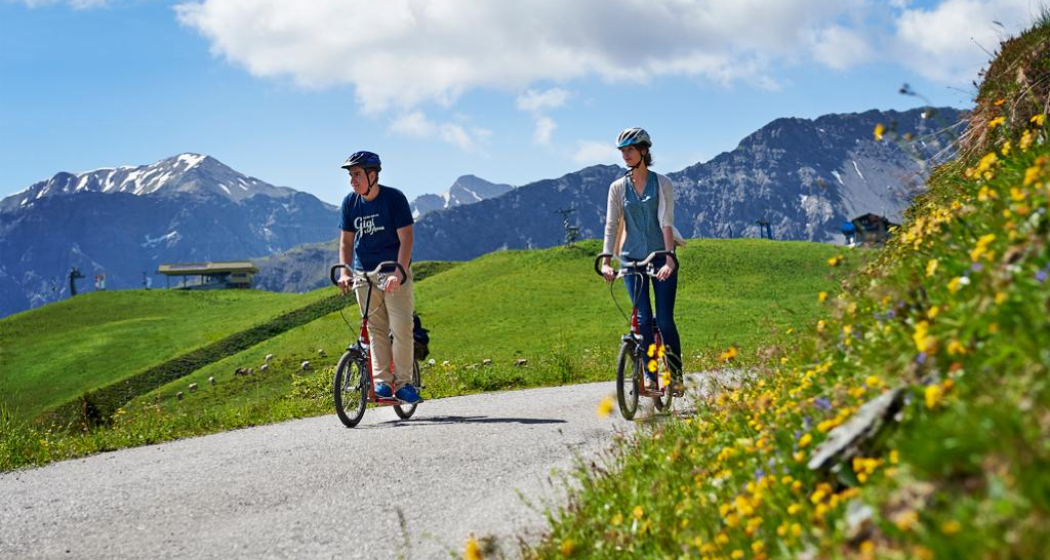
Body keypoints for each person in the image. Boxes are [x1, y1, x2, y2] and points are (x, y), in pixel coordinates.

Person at [599, 128, 687, 396]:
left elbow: (666, 221)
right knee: (643, 317)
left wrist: (669, 259)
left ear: (644, 151)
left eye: (630, 149)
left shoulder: (662, 184)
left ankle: (675, 375)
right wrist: (606, 260)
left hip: (661, 255)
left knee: (664, 320)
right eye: (623, 151)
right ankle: (650, 376)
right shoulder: (617, 187)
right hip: (631, 257)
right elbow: (612, 225)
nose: (625, 155)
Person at [336, 150, 422, 404]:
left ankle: (405, 384)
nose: (353, 181)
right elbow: (346, 242)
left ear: (372, 175)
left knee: (401, 328)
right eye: (351, 176)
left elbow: (406, 238)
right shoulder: (349, 203)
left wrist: (399, 273)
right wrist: (344, 271)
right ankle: (383, 383)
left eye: (357, 175)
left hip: (392, 272)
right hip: (364, 274)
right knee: (376, 330)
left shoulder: (394, 199)